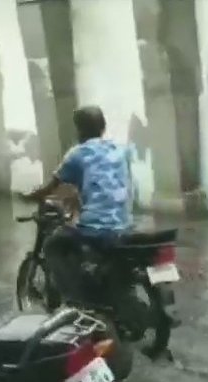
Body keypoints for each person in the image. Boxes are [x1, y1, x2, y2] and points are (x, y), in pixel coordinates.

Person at [22, 105, 133, 305]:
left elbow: (51, 188)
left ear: (79, 130)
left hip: (98, 228)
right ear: (103, 127)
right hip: (125, 224)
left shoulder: (78, 153)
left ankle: (76, 300)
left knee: (53, 244)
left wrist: (30, 196)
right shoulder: (120, 150)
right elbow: (105, 183)